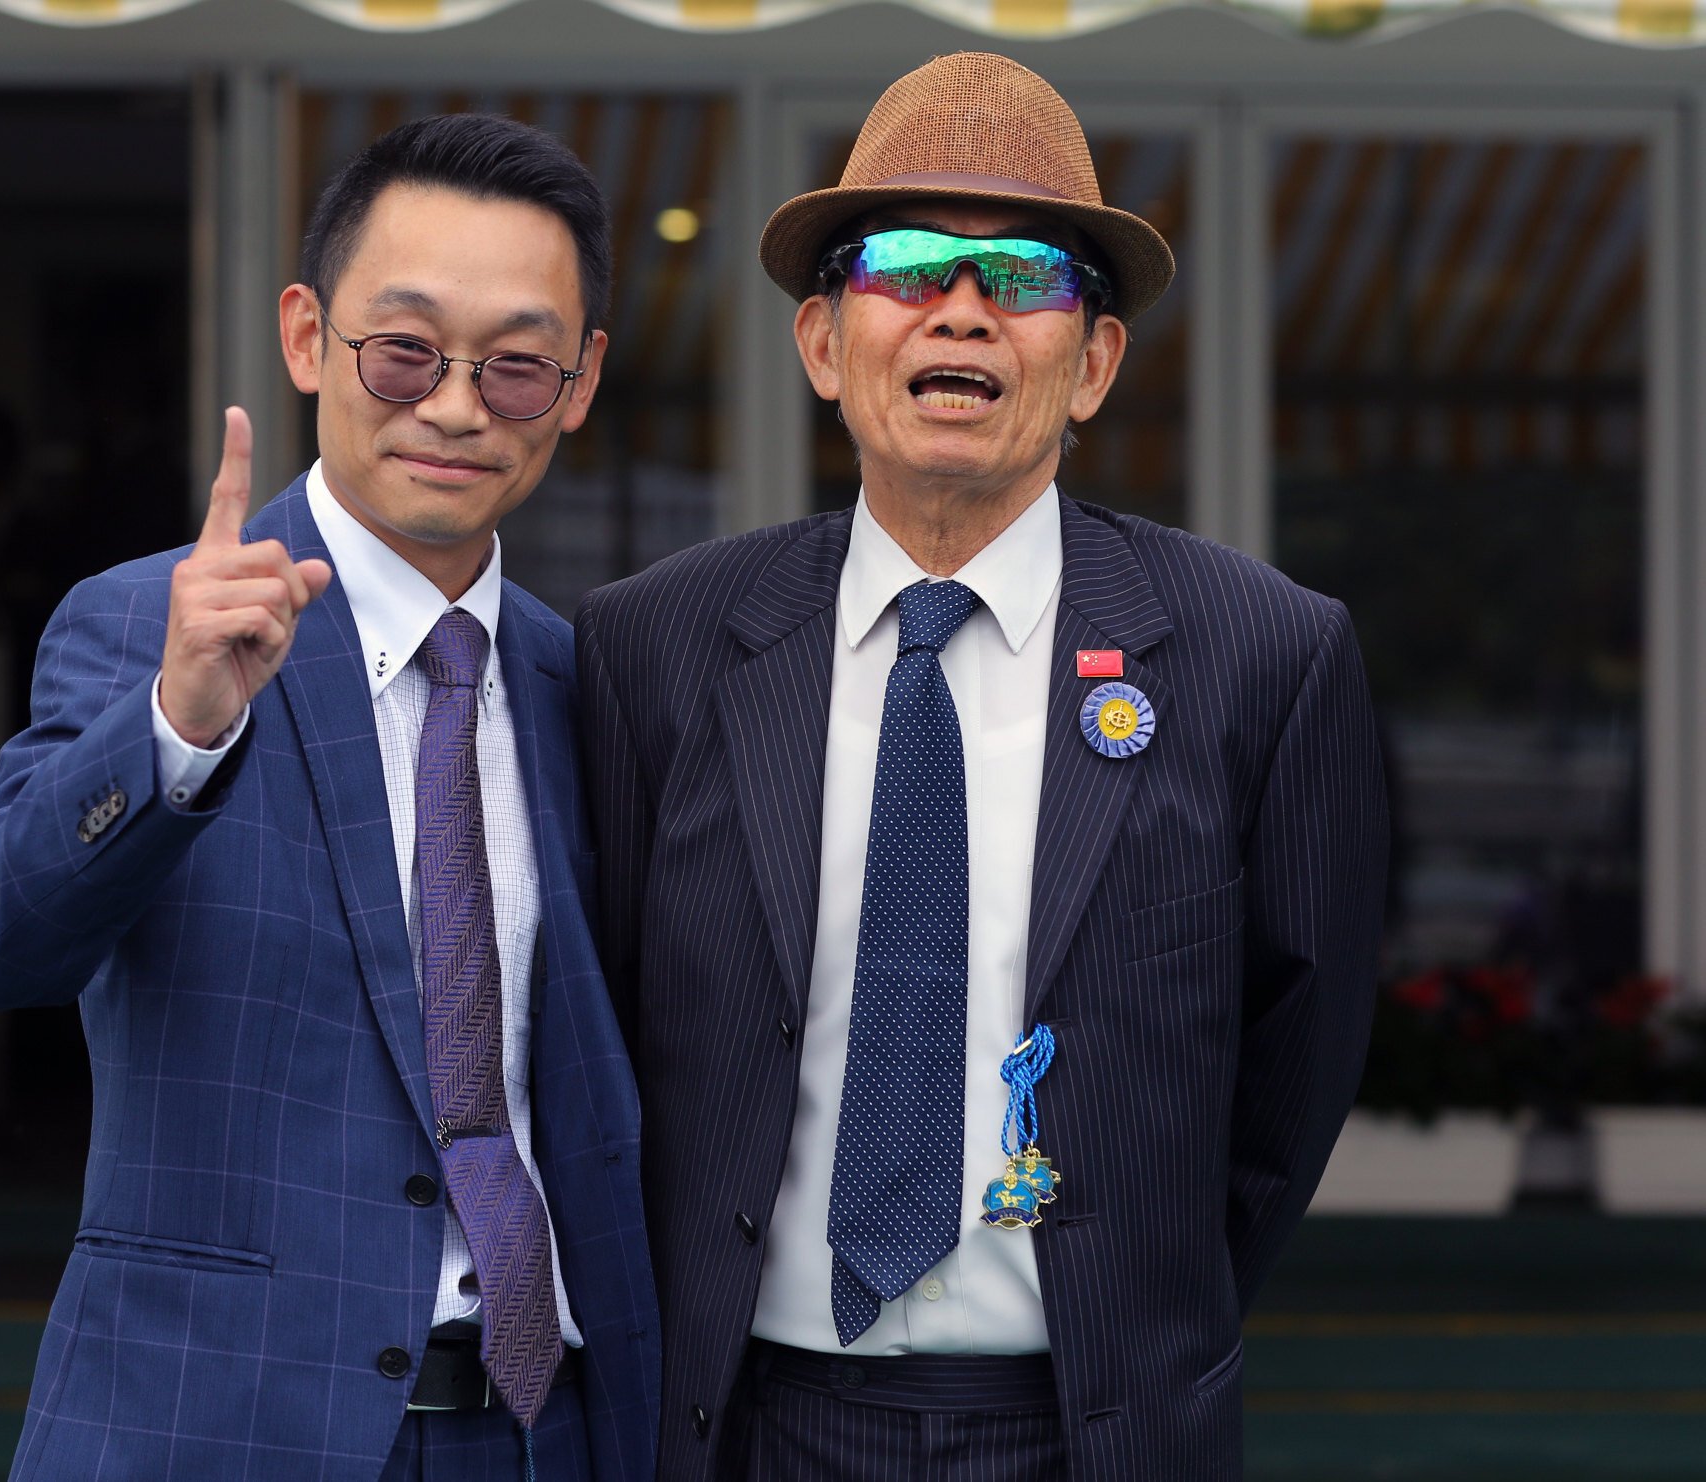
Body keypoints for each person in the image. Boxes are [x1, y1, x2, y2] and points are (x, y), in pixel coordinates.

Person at [574, 53, 1386, 1481]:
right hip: (741, 1423)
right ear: (824, 346)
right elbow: (607, 1035)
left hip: (1093, 1428)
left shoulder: (1265, 653)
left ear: (1096, 362)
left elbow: (1290, 1080)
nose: (961, 307)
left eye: (1019, 274)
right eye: (904, 267)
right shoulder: (658, 648)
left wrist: (1141, 1320)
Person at [0, 114, 658, 1482]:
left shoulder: (586, 684)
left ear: (578, 383)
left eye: (514, 367)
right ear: (309, 336)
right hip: (216, 1423)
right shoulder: (152, 621)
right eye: (404, 350)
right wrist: (177, 723)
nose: (454, 405)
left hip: (536, 1436)